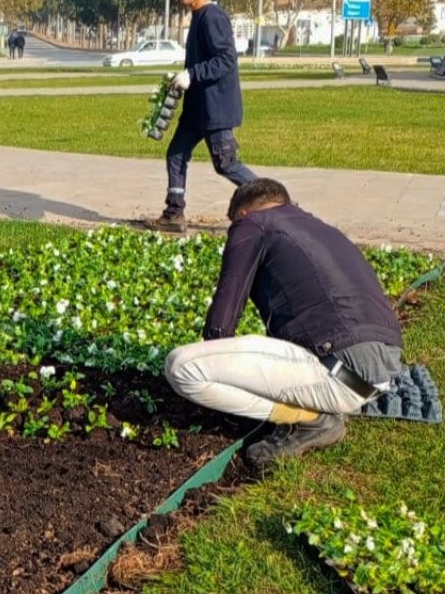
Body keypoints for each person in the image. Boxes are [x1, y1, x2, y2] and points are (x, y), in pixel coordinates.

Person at [163, 179, 405, 467]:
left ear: (242, 214)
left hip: (338, 370)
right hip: (380, 368)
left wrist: (215, 360)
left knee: (182, 367)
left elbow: (223, 319)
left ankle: (312, 419)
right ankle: (323, 405)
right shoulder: (318, 226)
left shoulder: (252, 224)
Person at [145, 0, 258, 233]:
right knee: (176, 154)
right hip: (196, 109)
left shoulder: (212, 17)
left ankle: (277, 202)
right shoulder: (199, 17)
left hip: (214, 108)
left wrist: (192, 74)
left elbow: (226, 60)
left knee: (226, 164)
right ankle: (174, 213)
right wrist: (182, 80)